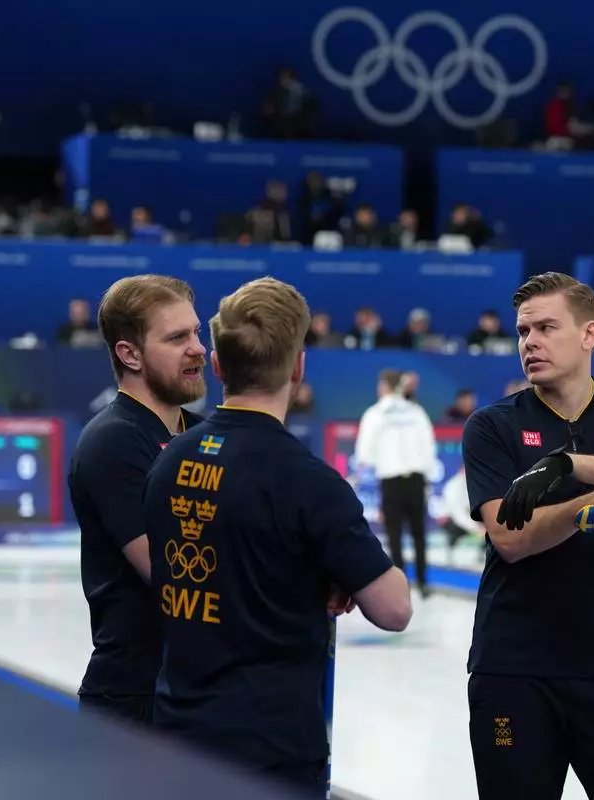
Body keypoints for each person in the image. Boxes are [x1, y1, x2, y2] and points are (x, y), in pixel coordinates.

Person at [142, 276, 412, 794]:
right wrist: (341, 574)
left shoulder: (168, 459)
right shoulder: (309, 482)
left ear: (218, 366)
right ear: (298, 367)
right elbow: (394, 608)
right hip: (270, 751)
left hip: (176, 735)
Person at [461, 271, 594, 800]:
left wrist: (569, 466)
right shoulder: (493, 427)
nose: (529, 342)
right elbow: (511, 539)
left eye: (545, 328)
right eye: (522, 331)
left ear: (588, 334)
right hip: (515, 669)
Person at [69, 274, 207, 725]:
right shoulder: (114, 441)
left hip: (197, 692)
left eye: (197, 332)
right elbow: (173, 573)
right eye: (178, 337)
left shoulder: (203, 434)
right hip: (134, 702)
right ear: (129, 353)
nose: (199, 349)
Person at [353, 368, 438, 597]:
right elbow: (429, 445)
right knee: (420, 534)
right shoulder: (416, 411)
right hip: (416, 479)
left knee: (394, 535)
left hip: (391, 481)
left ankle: (402, 587)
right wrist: (427, 476)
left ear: (383, 387)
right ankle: (423, 583)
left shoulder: (375, 414)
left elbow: (364, 454)